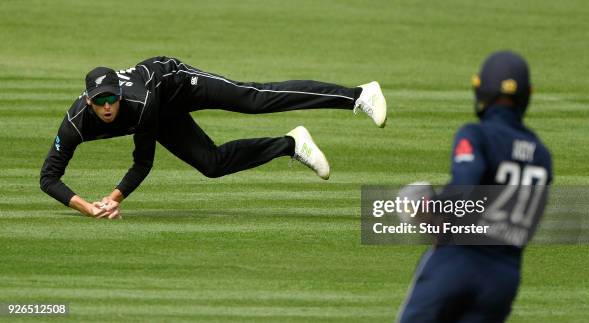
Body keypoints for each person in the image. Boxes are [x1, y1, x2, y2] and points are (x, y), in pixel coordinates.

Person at [40, 56, 387, 219]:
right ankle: (292, 144)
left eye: (110, 98)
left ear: (117, 94)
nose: (107, 107)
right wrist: (88, 207)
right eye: (99, 101)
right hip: (163, 113)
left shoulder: (138, 102)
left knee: (255, 99)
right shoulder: (75, 124)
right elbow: (48, 177)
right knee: (212, 164)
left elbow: (143, 160)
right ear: (88, 101)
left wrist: (114, 196)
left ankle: (358, 95)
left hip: (177, 83)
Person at [397, 51, 553, 322]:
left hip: (457, 264)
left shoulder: (476, 134)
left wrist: (429, 210)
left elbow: (465, 185)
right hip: (503, 280)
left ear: (481, 89)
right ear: (527, 94)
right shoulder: (542, 155)